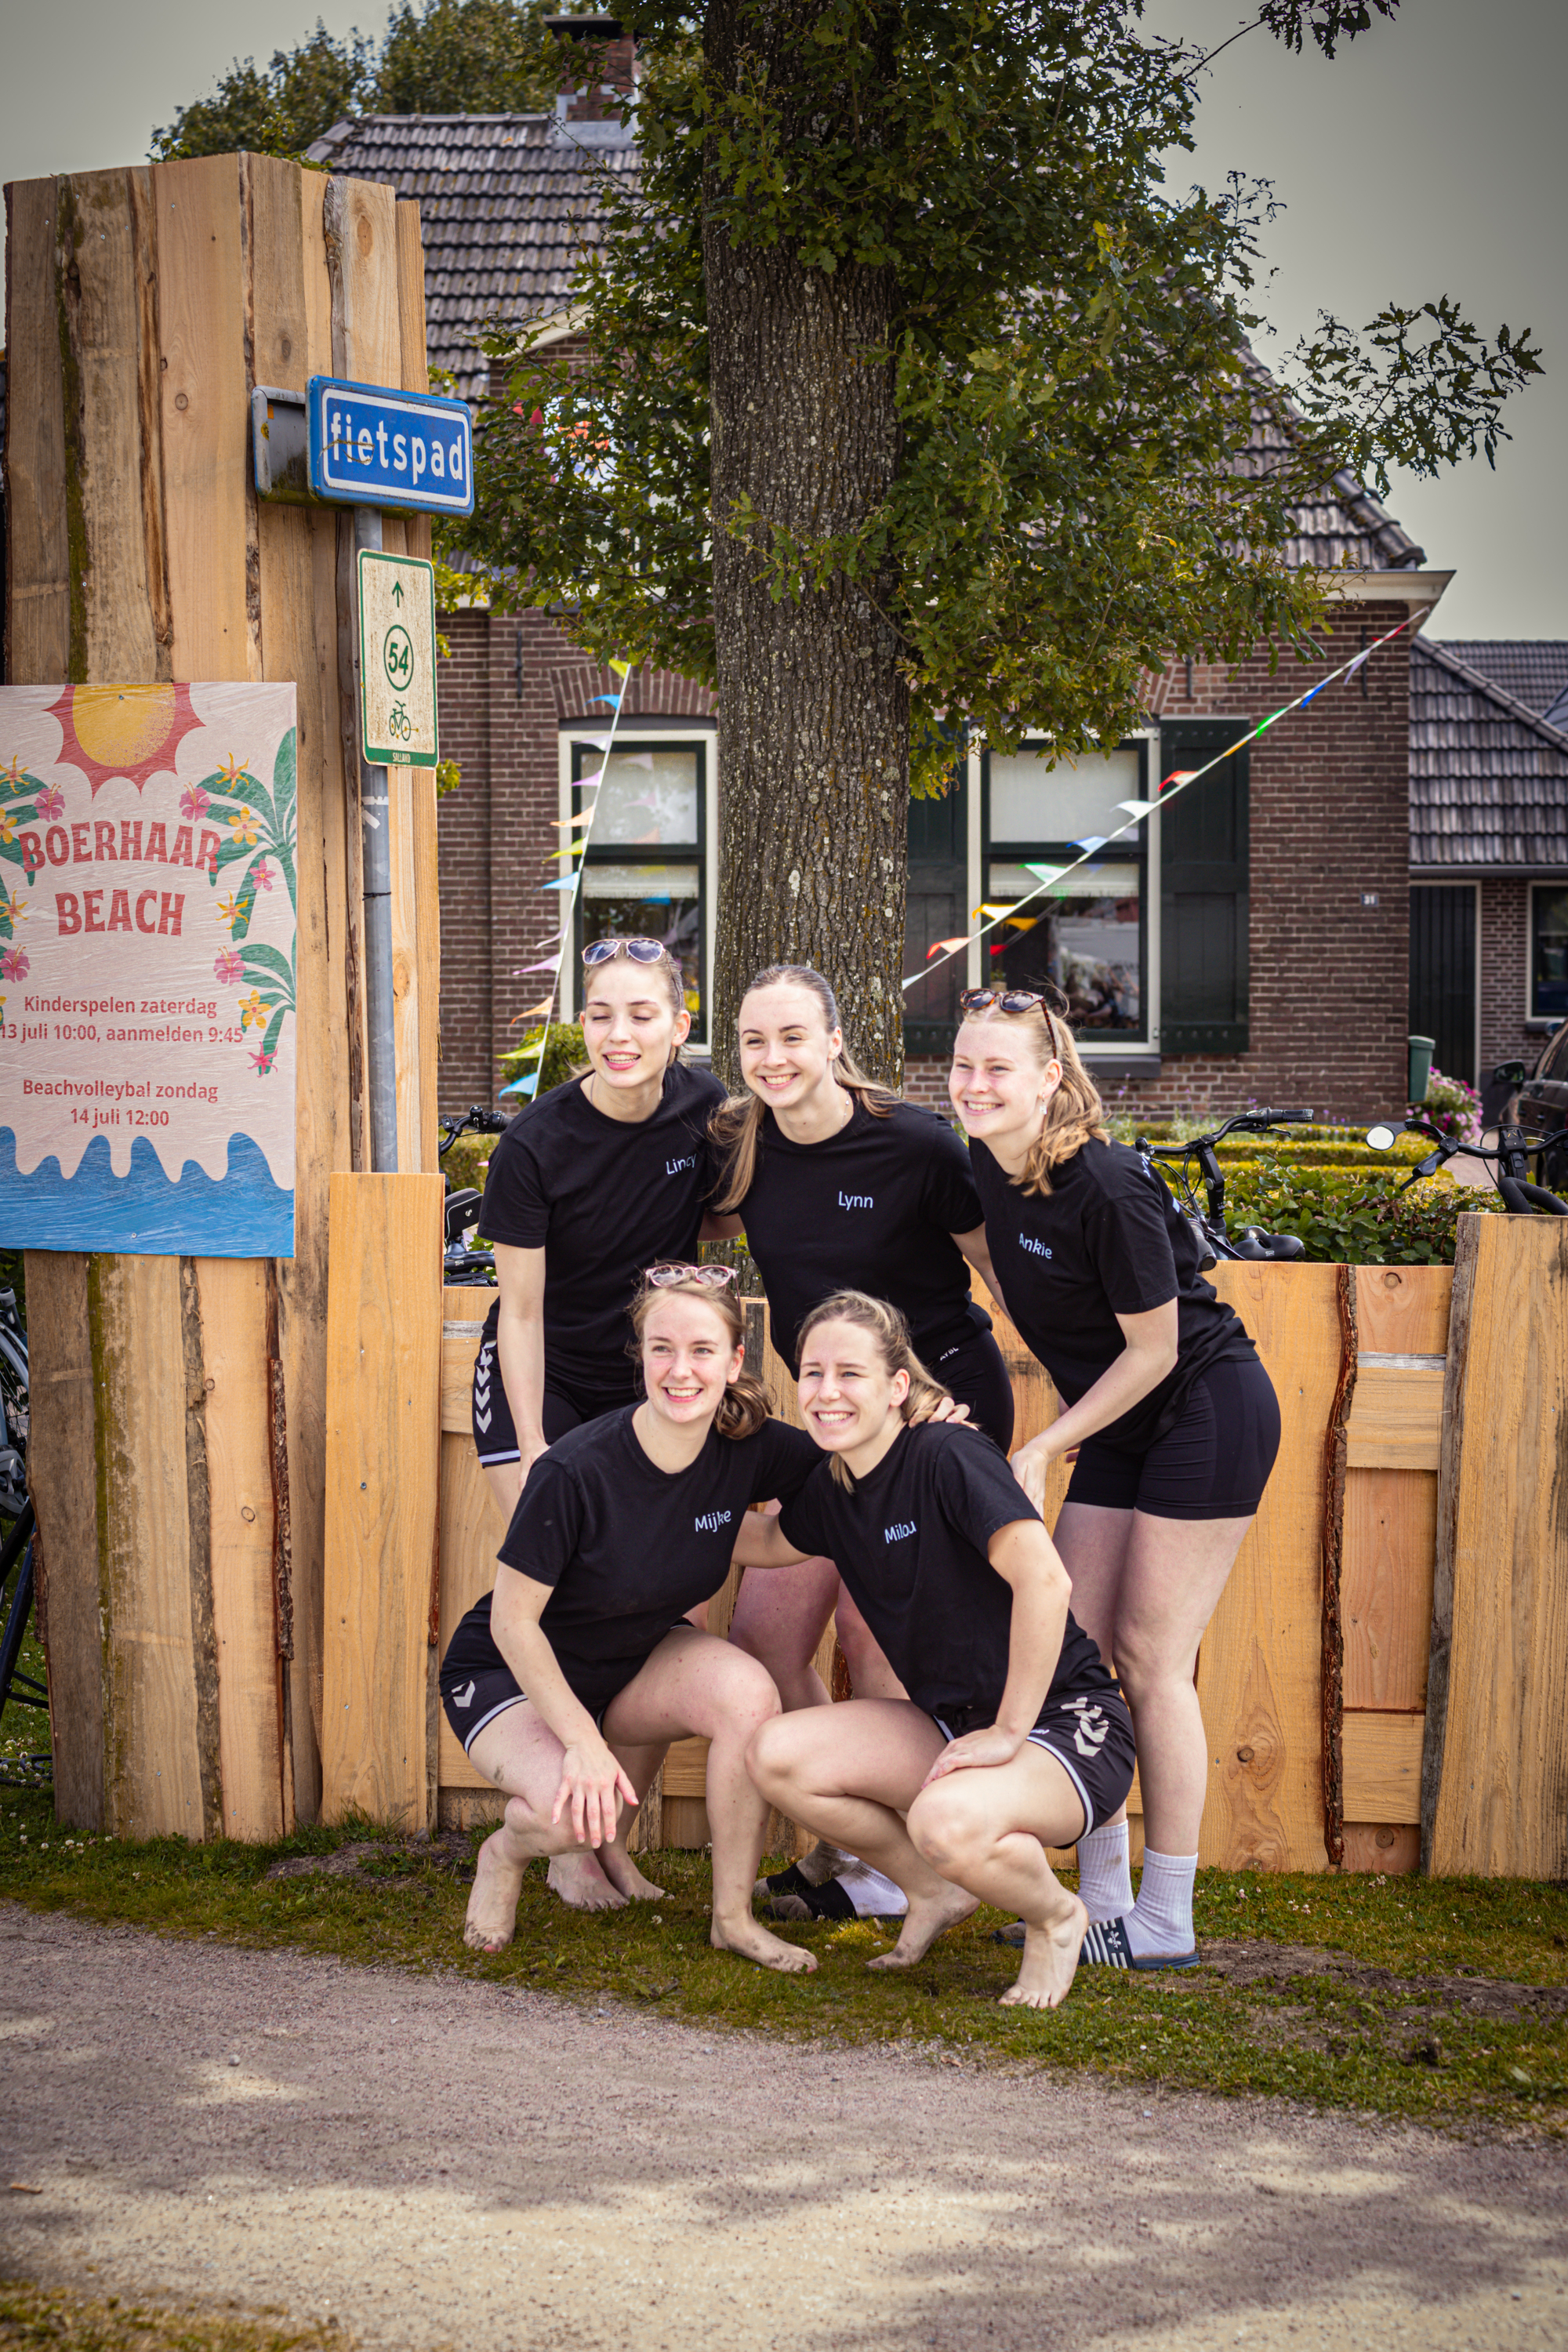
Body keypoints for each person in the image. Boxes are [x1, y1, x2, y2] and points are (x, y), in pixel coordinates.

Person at [949, 986, 1281, 1970]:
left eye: (997, 1068)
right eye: (962, 1067)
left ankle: (1166, 1918)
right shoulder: (983, 1165)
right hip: (1121, 1419)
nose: (974, 1085)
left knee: (1148, 1655)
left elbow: (1153, 1351)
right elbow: (1008, 1276)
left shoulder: (1109, 1183)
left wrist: (1047, 1442)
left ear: (1050, 1080)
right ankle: (1100, 1898)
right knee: (1071, 1649)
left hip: (1202, 1406)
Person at [710, 963, 1014, 1918]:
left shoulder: (917, 1146)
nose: (773, 1058)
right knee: (764, 1637)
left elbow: (1001, 1277)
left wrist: (1032, 1410)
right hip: (834, 1417)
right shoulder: (742, 1149)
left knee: (878, 1639)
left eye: (793, 1037)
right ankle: (849, 1838)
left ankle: (893, 1871)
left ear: (835, 1041)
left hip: (937, 1416)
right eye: (754, 1041)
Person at [738, 1291, 1134, 2010]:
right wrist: (668, 1485)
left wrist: (1010, 1730)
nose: (827, 1392)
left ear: (897, 1388)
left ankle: (1055, 1917)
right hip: (952, 1724)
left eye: (850, 1374)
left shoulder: (949, 1454)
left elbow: (1045, 1581)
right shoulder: (836, 1487)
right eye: (813, 1373)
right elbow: (761, 1543)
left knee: (942, 1821)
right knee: (775, 1756)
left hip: (1066, 1723)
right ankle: (932, 1891)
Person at [441, 1265, 821, 1974]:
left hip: (630, 1665)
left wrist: (926, 1427)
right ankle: (505, 1853)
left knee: (750, 1695)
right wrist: (583, 1744)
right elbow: (514, 1624)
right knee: (565, 1819)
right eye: (662, 1349)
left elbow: (847, 1465)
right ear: (640, 1356)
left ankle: (731, 1920)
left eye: (703, 1351)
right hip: (513, 1674)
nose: (682, 1371)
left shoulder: (750, 1448)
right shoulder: (576, 1471)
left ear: (736, 1359)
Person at [469, 938, 727, 1907]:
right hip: (541, 1376)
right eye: (601, 1014)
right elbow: (522, 1313)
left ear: (678, 1027)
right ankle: (566, 1843)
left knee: (661, 1611)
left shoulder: (706, 1115)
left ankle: (605, 1829)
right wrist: (538, 1450)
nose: (618, 1036)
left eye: (641, 1015)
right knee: (566, 1598)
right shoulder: (537, 1142)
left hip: (640, 1381)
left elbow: (741, 1215)